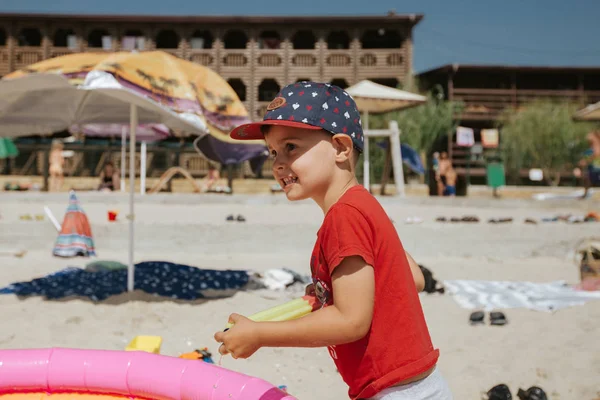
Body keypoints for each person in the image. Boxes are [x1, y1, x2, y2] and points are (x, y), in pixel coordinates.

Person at [214, 82, 451, 400]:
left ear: (341, 148)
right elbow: (415, 279)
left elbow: (351, 321)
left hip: (396, 391)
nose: (278, 163)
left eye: (291, 147)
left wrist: (259, 334)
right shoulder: (363, 205)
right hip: (417, 385)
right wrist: (332, 294)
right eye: (272, 152)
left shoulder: (343, 219)